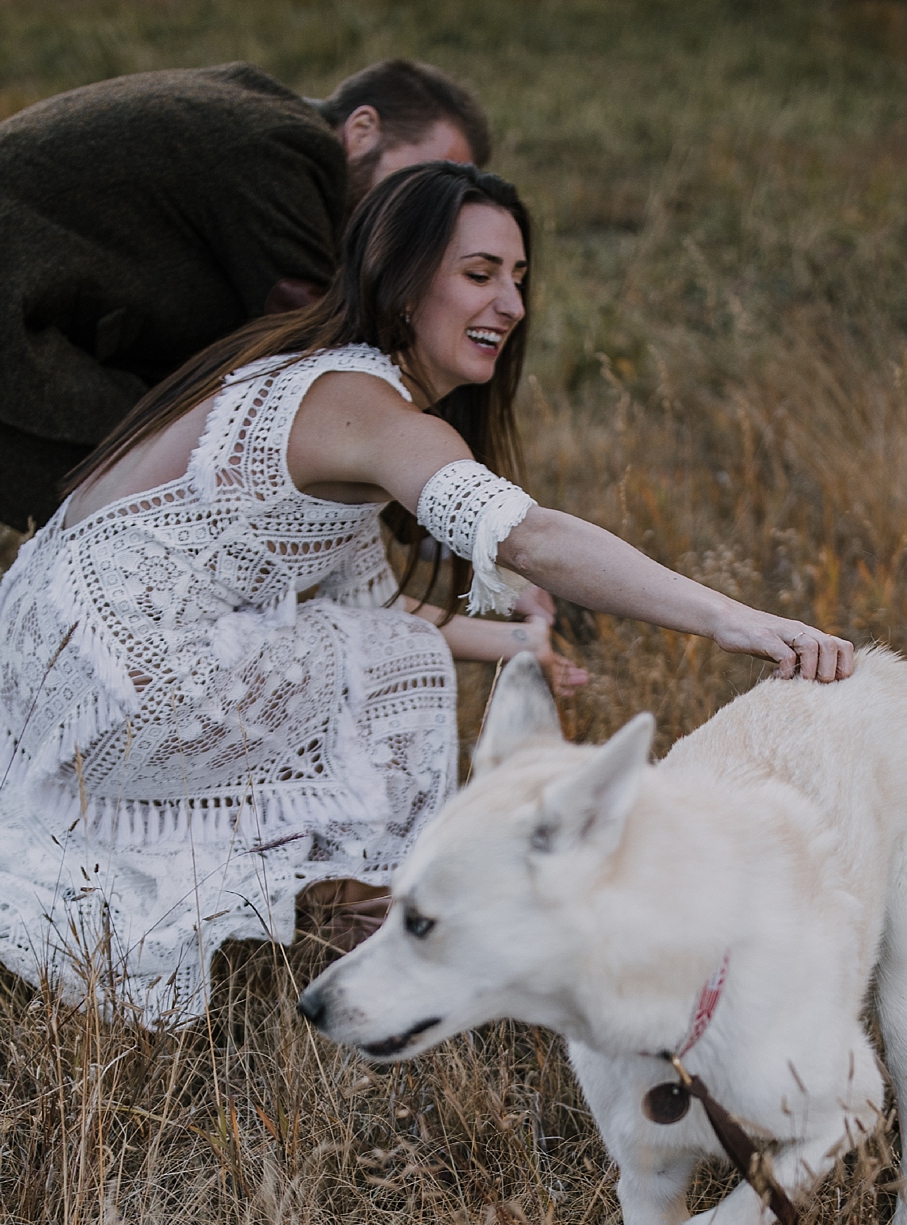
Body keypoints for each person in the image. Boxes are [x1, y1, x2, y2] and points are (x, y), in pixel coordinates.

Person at [0, 161, 852, 1026]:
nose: (511, 306)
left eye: (518, 280)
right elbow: (529, 537)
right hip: (111, 680)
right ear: (403, 287)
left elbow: (364, 611)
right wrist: (730, 620)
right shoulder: (364, 407)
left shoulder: (327, 384)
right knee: (398, 669)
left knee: (372, 649)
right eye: (478, 275)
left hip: (54, 667)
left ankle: (346, 900)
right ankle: (378, 911)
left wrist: (515, 645)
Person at [0, 58, 488, 533]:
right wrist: (446, 512)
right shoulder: (288, 148)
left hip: (38, 310)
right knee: (136, 505)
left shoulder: (262, 120)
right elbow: (323, 346)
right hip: (15, 322)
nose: (429, 218)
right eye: (419, 182)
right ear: (362, 129)